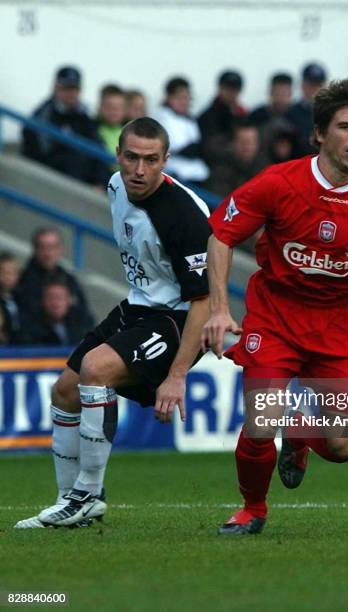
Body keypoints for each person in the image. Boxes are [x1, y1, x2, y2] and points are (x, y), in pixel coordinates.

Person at [201, 79, 348, 536]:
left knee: (343, 446)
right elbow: (221, 235)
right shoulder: (280, 183)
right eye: (345, 126)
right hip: (277, 315)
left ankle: (300, 434)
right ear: (320, 134)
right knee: (262, 419)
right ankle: (253, 508)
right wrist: (220, 308)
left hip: (342, 323)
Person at [15, 117, 211, 529]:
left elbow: (203, 301)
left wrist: (176, 375)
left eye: (151, 160)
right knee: (64, 390)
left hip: (174, 317)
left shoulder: (185, 216)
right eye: (132, 158)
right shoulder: (115, 186)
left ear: (166, 161)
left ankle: (88, 493)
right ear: (118, 155)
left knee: (96, 369)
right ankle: (70, 501)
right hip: (137, 306)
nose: (140, 170)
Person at [21, 66, 107, 187]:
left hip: (85, 186)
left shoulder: (85, 116)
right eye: (67, 88)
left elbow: (98, 147)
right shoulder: (41, 117)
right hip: (53, 185)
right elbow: (38, 154)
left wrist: (100, 181)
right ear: (55, 88)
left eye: (75, 88)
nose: (71, 93)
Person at [17, 227, 94, 331]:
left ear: (60, 250)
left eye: (52, 247)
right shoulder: (23, 281)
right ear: (35, 249)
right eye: (43, 247)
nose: (48, 253)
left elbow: (84, 314)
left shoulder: (69, 280)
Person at [155, 76, 209, 185]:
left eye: (187, 98)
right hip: (177, 176)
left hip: (198, 175)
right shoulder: (163, 118)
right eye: (179, 98)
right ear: (169, 98)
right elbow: (182, 148)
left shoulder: (189, 119)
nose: (184, 102)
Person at [198, 70, 247, 166]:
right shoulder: (207, 117)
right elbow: (209, 147)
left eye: (235, 89)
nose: (231, 93)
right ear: (220, 89)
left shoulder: (242, 114)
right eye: (228, 89)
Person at [24, 279, 93, 346]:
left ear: (68, 301)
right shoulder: (32, 328)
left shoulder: (81, 322)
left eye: (60, 298)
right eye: (51, 297)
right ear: (43, 301)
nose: (55, 303)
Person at [286, 62, 327, 155]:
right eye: (311, 85)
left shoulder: (330, 113)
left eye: (318, 85)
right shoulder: (290, 113)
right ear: (302, 85)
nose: (314, 89)